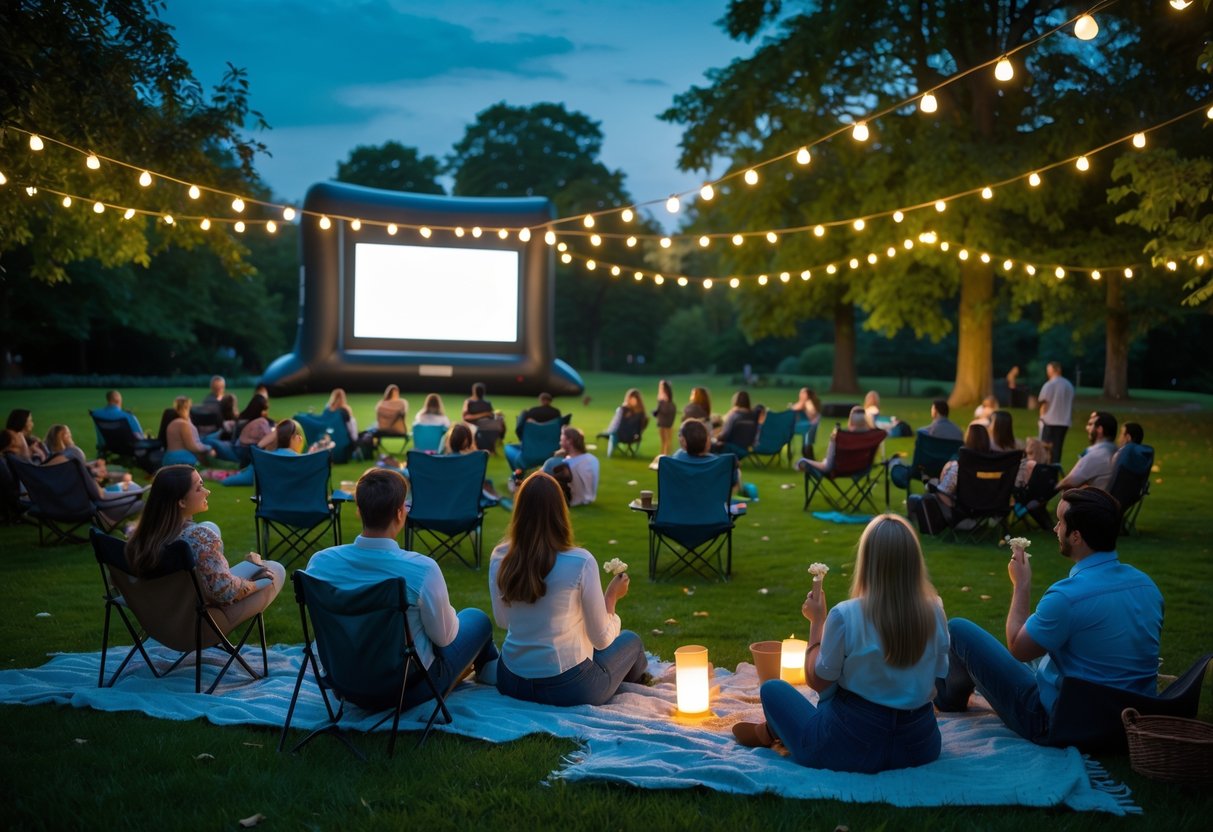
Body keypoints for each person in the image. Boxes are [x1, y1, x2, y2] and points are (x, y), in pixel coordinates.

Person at [936, 487, 1163, 744]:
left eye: (1060, 522)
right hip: (1129, 719)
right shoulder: (1147, 586)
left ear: (1076, 536)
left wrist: (1021, 585)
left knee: (958, 630)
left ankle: (944, 701)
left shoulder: (1067, 597)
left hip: (1059, 722)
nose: (1055, 529)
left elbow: (1018, 648)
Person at [732, 514, 949, 773]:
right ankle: (773, 730)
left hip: (851, 747)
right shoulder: (935, 609)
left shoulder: (846, 615)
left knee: (773, 690)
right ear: (915, 562)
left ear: (867, 562)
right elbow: (939, 674)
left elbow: (820, 680)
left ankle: (769, 732)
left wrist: (817, 621)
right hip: (920, 747)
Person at [306, 467, 499, 707]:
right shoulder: (420, 570)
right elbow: (445, 638)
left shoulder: (320, 563)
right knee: (476, 619)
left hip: (343, 682)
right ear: (399, 513)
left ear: (359, 510)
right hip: (404, 689)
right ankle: (496, 675)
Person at [489, 471, 647, 706]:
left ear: (519, 511)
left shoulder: (500, 556)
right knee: (631, 641)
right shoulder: (579, 562)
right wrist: (611, 599)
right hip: (568, 688)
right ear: (560, 512)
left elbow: (503, 621)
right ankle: (635, 681)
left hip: (512, 680)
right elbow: (601, 640)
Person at [125, 464, 284, 617]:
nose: (207, 492)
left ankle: (226, 573)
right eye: (199, 487)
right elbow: (225, 592)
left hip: (161, 616)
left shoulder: (142, 538)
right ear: (181, 502)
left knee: (211, 526)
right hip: (196, 622)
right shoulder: (198, 538)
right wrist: (258, 580)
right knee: (276, 569)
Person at [43, 424, 144, 523]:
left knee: (131, 488)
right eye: (68, 435)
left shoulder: (53, 464)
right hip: (93, 505)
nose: (71, 437)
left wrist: (90, 468)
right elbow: (100, 495)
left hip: (63, 506)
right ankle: (109, 520)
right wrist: (133, 493)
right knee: (137, 495)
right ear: (62, 438)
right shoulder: (74, 453)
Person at [797, 406, 870, 474]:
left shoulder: (839, 436)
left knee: (802, 461)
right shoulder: (872, 436)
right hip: (862, 469)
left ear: (850, 419)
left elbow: (828, 466)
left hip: (838, 469)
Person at [933, 422, 990, 508]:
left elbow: (944, 492)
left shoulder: (958, 466)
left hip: (962, 510)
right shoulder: (995, 465)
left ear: (968, 439)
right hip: (989, 508)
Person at [1056, 411, 1117, 491]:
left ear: (1099, 430)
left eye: (1091, 425)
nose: (1086, 428)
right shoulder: (1116, 450)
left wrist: (1051, 489)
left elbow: (1069, 482)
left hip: (1095, 500)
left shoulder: (1095, 455)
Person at [540, 426, 599, 507]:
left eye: (561, 440)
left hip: (573, 501)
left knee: (550, 463)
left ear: (569, 441)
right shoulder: (593, 459)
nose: (560, 443)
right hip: (589, 498)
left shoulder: (566, 464)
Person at [1037, 361, 1075, 464]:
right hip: (1064, 422)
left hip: (1050, 421)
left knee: (1046, 449)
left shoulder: (1049, 385)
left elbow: (1044, 403)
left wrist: (1041, 418)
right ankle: (1054, 470)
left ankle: (1045, 470)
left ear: (1051, 370)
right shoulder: (1069, 385)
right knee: (1057, 449)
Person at [162, 396, 216, 466]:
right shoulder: (183, 424)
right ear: (188, 407)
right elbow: (192, 447)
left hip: (169, 457)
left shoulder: (173, 422)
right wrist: (208, 448)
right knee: (211, 452)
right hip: (180, 458)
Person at [602, 388, 648, 458]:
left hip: (628, 436)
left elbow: (622, 424)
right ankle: (609, 435)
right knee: (613, 433)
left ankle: (609, 455)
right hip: (629, 435)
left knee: (613, 434)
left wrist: (622, 411)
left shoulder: (627, 410)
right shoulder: (631, 411)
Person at [462, 382, 506, 450]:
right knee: (500, 421)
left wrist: (496, 414)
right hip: (475, 425)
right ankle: (498, 441)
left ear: (474, 391)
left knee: (501, 419)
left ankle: (498, 441)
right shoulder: (469, 402)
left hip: (484, 425)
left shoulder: (486, 403)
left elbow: (491, 415)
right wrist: (484, 414)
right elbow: (466, 417)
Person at [652, 380, 677, 458]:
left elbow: (664, 409)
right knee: (665, 441)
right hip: (665, 421)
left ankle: (665, 456)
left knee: (666, 441)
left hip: (665, 422)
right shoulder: (667, 399)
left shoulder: (664, 398)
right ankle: (664, 455)